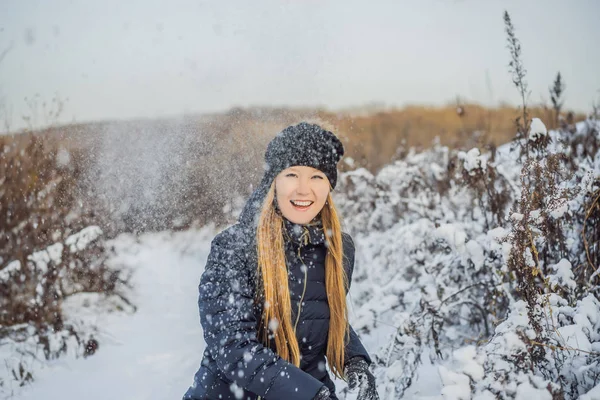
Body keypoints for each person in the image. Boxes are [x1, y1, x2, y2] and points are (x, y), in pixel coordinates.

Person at [182, 122, 379, 400]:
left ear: (329, 186)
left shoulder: (338, 248)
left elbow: (319, 315)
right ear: (273, 181)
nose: (303, 189)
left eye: (317, 177)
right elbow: (233, 348)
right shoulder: (236, 247)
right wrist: (312, 394)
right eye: (292, 174)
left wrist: (356, 361)